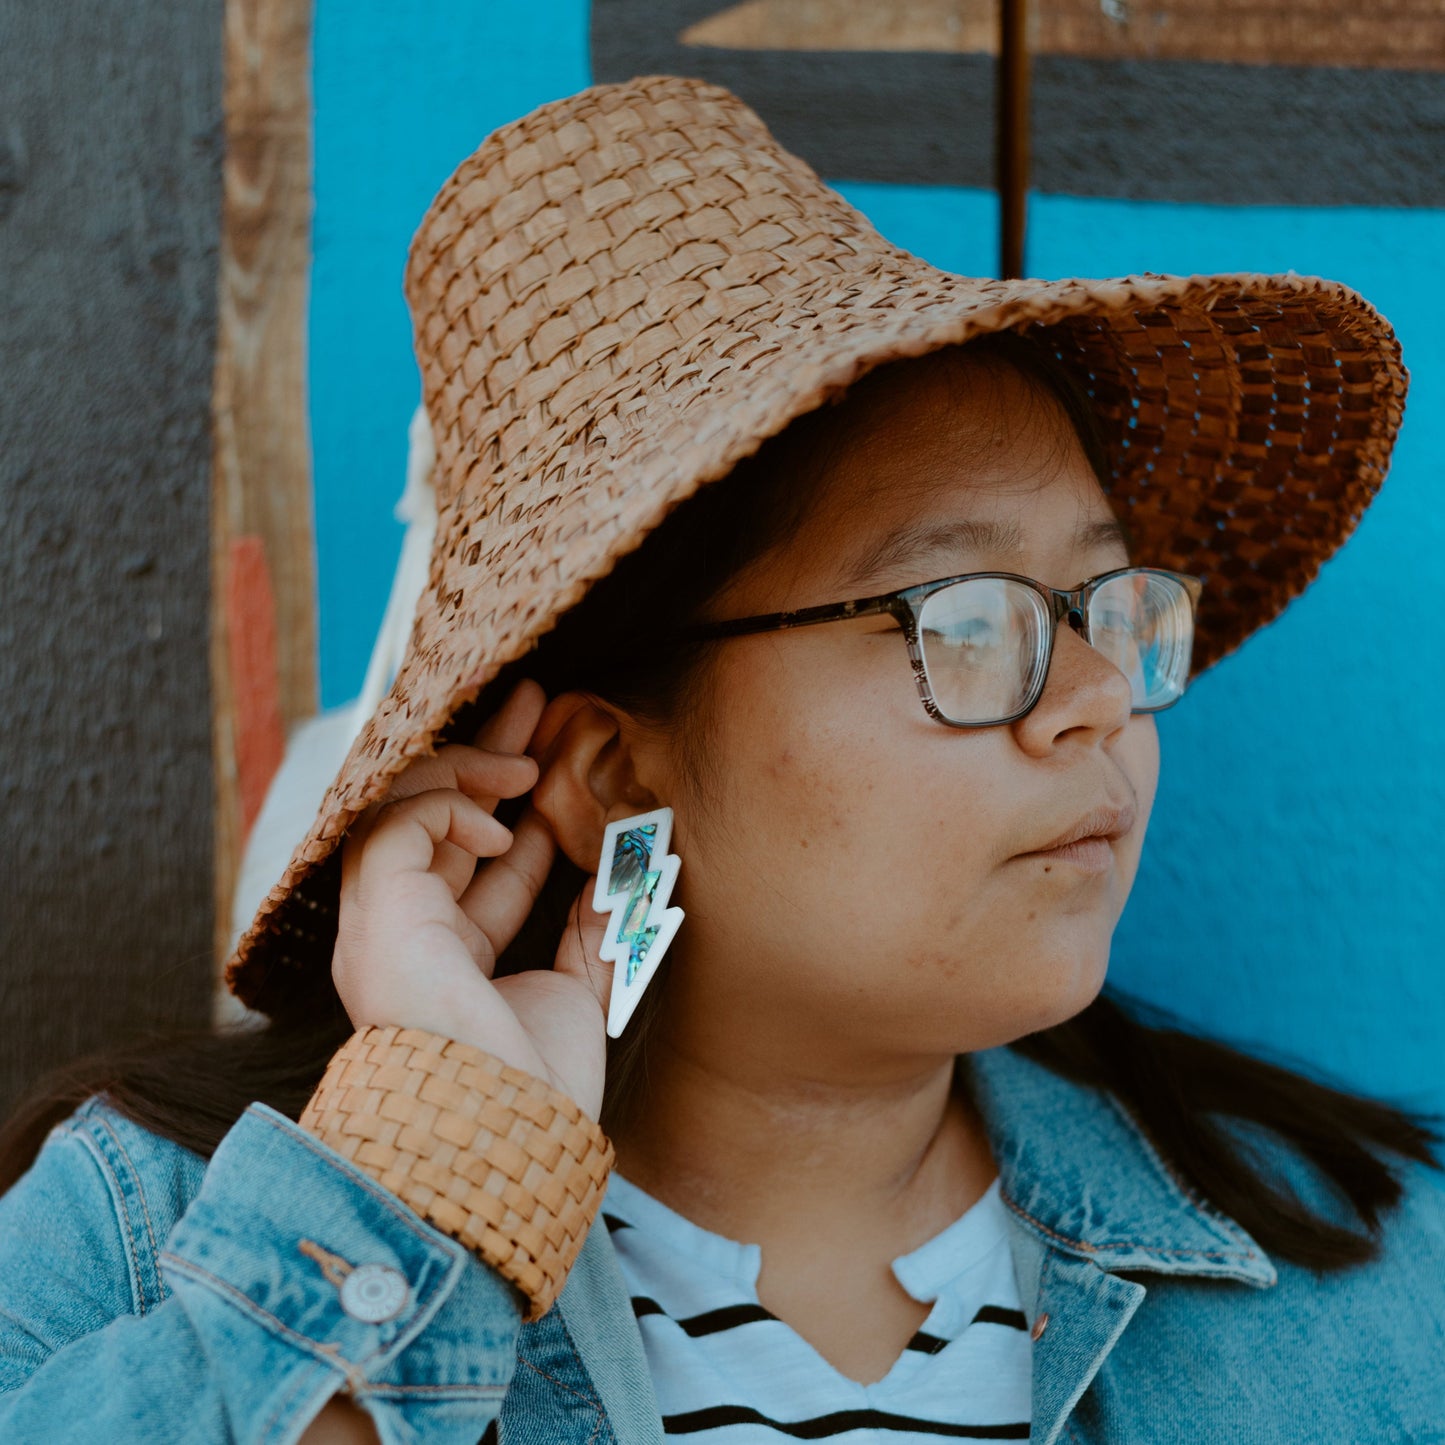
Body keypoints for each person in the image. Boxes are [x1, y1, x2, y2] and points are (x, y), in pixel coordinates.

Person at [1, 74, 1442, 1445]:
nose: (1091, 706)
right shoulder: (132, 1242)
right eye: (964, 622)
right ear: (616, 773)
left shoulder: (1373, 1285)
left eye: (1104, 606)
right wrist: (435, 1174)